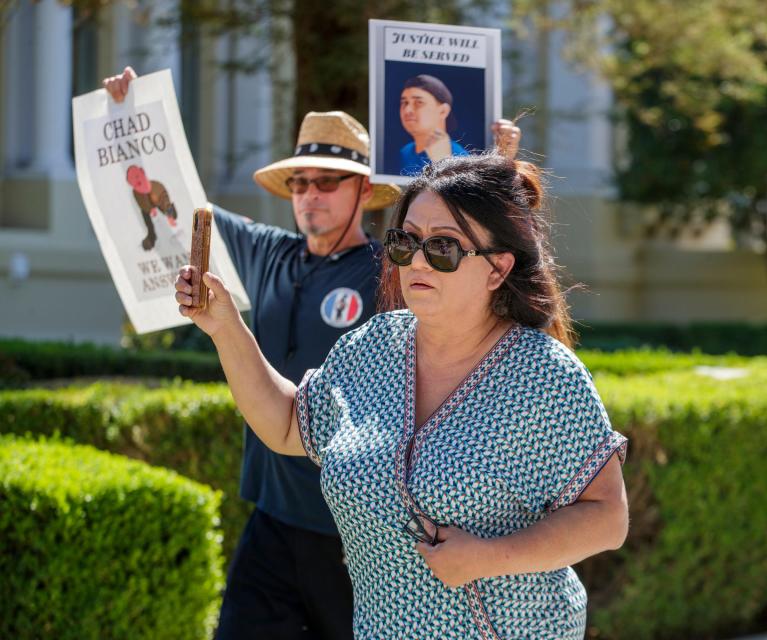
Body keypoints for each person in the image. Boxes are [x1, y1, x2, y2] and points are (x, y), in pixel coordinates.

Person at [104, 67, 522, 640]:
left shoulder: (397, 269)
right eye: (300, 183)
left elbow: (477, 266)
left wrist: (500, 168)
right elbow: (175, 200)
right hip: (271, 519)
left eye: (328, 181)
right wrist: (128, 120)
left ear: (361, 192)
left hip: (358, 534)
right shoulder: (265, 253)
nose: (311, 195)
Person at [174, 152, 629, 639]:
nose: (416, 260)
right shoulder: (371, 347)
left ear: (498, 268)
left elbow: (607, 517)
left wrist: (487, 557)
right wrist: (224, 326)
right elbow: (287, 425)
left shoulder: (544, 375)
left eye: (443, 247)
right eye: (404, 241)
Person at [398, 74, 469, 175]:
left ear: (443, 111)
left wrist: (443, 161)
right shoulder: (405, 153)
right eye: (404, 103)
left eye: (418, 102)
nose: (407, 110)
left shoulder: (461, 159)